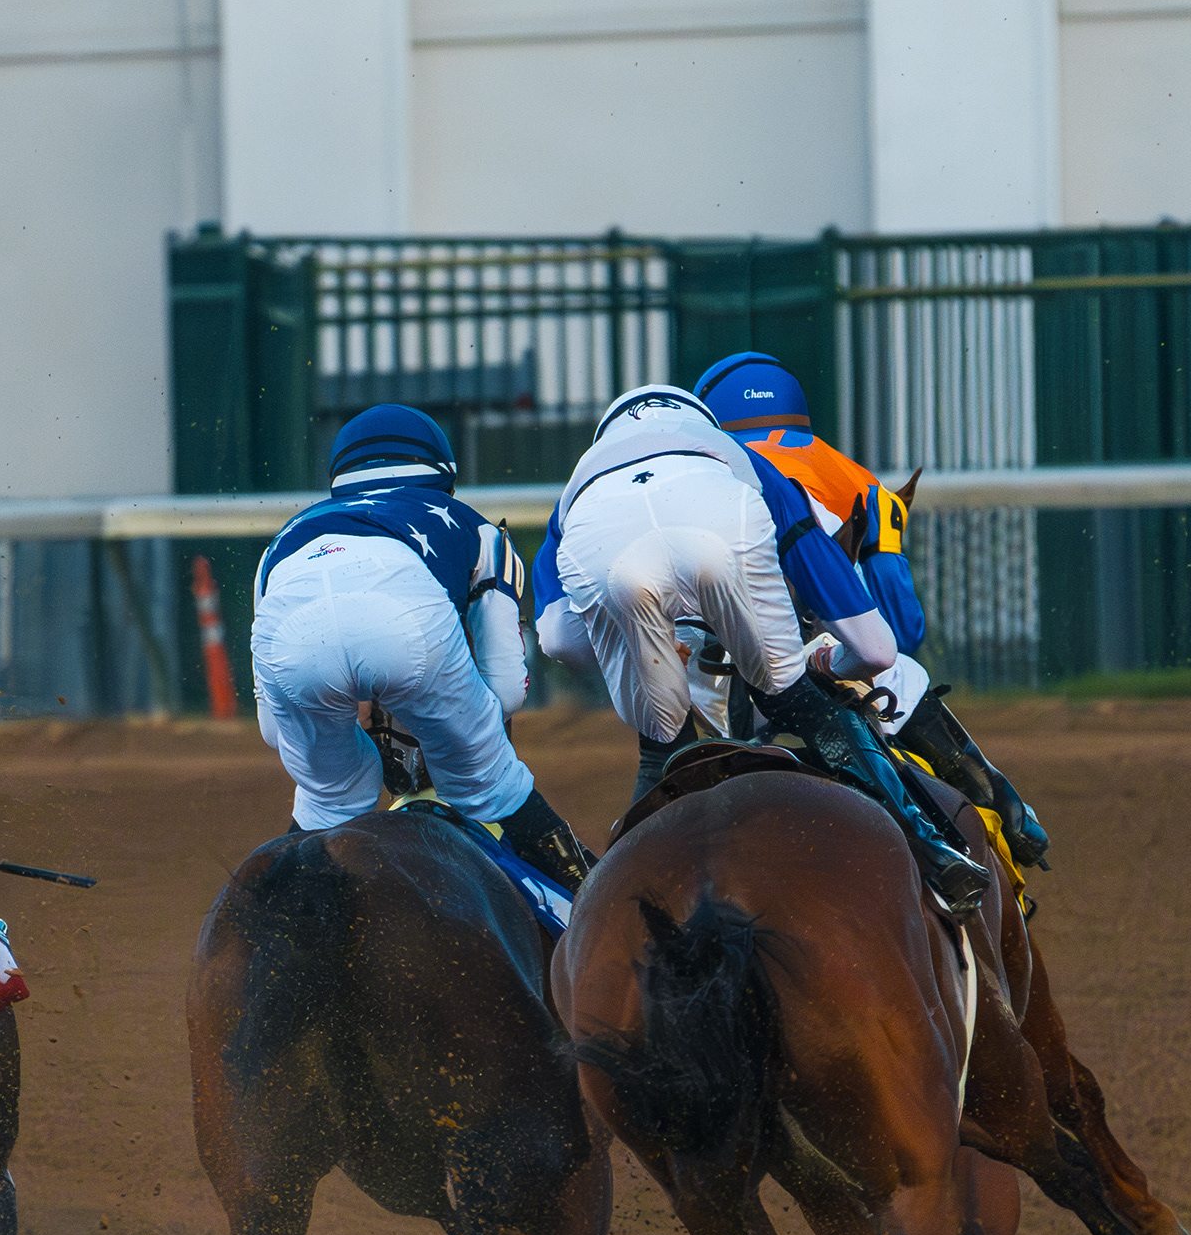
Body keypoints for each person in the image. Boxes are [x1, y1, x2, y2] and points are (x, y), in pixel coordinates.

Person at [532, 384, 989, 914]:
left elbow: (559, 641)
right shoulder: (744, 461)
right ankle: (938, 851)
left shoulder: (572, 495)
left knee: (661, 744)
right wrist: (821, 662)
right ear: (702, 422)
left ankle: (612, 911)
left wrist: (637, 646)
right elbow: (879, 650)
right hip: (724, 529)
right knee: (790, 696)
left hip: (605, 549)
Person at [693, 352, 1050, 868]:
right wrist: (885, 551)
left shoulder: (695, 471)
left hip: (708, 678)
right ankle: (1010, 813)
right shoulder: (847, 475)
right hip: (809, 671)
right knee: (896, 671)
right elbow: (902, 631)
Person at [249, 404, 597, 892]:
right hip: (410, 632)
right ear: (442, 475)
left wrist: (352, 763)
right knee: (493, 784)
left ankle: (271, 913)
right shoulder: (476, 527)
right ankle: (590, 899)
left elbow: (272, 730)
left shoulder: (281, 542)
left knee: (328, 800)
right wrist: (453, 743)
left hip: (291, 645)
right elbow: (505, 691)